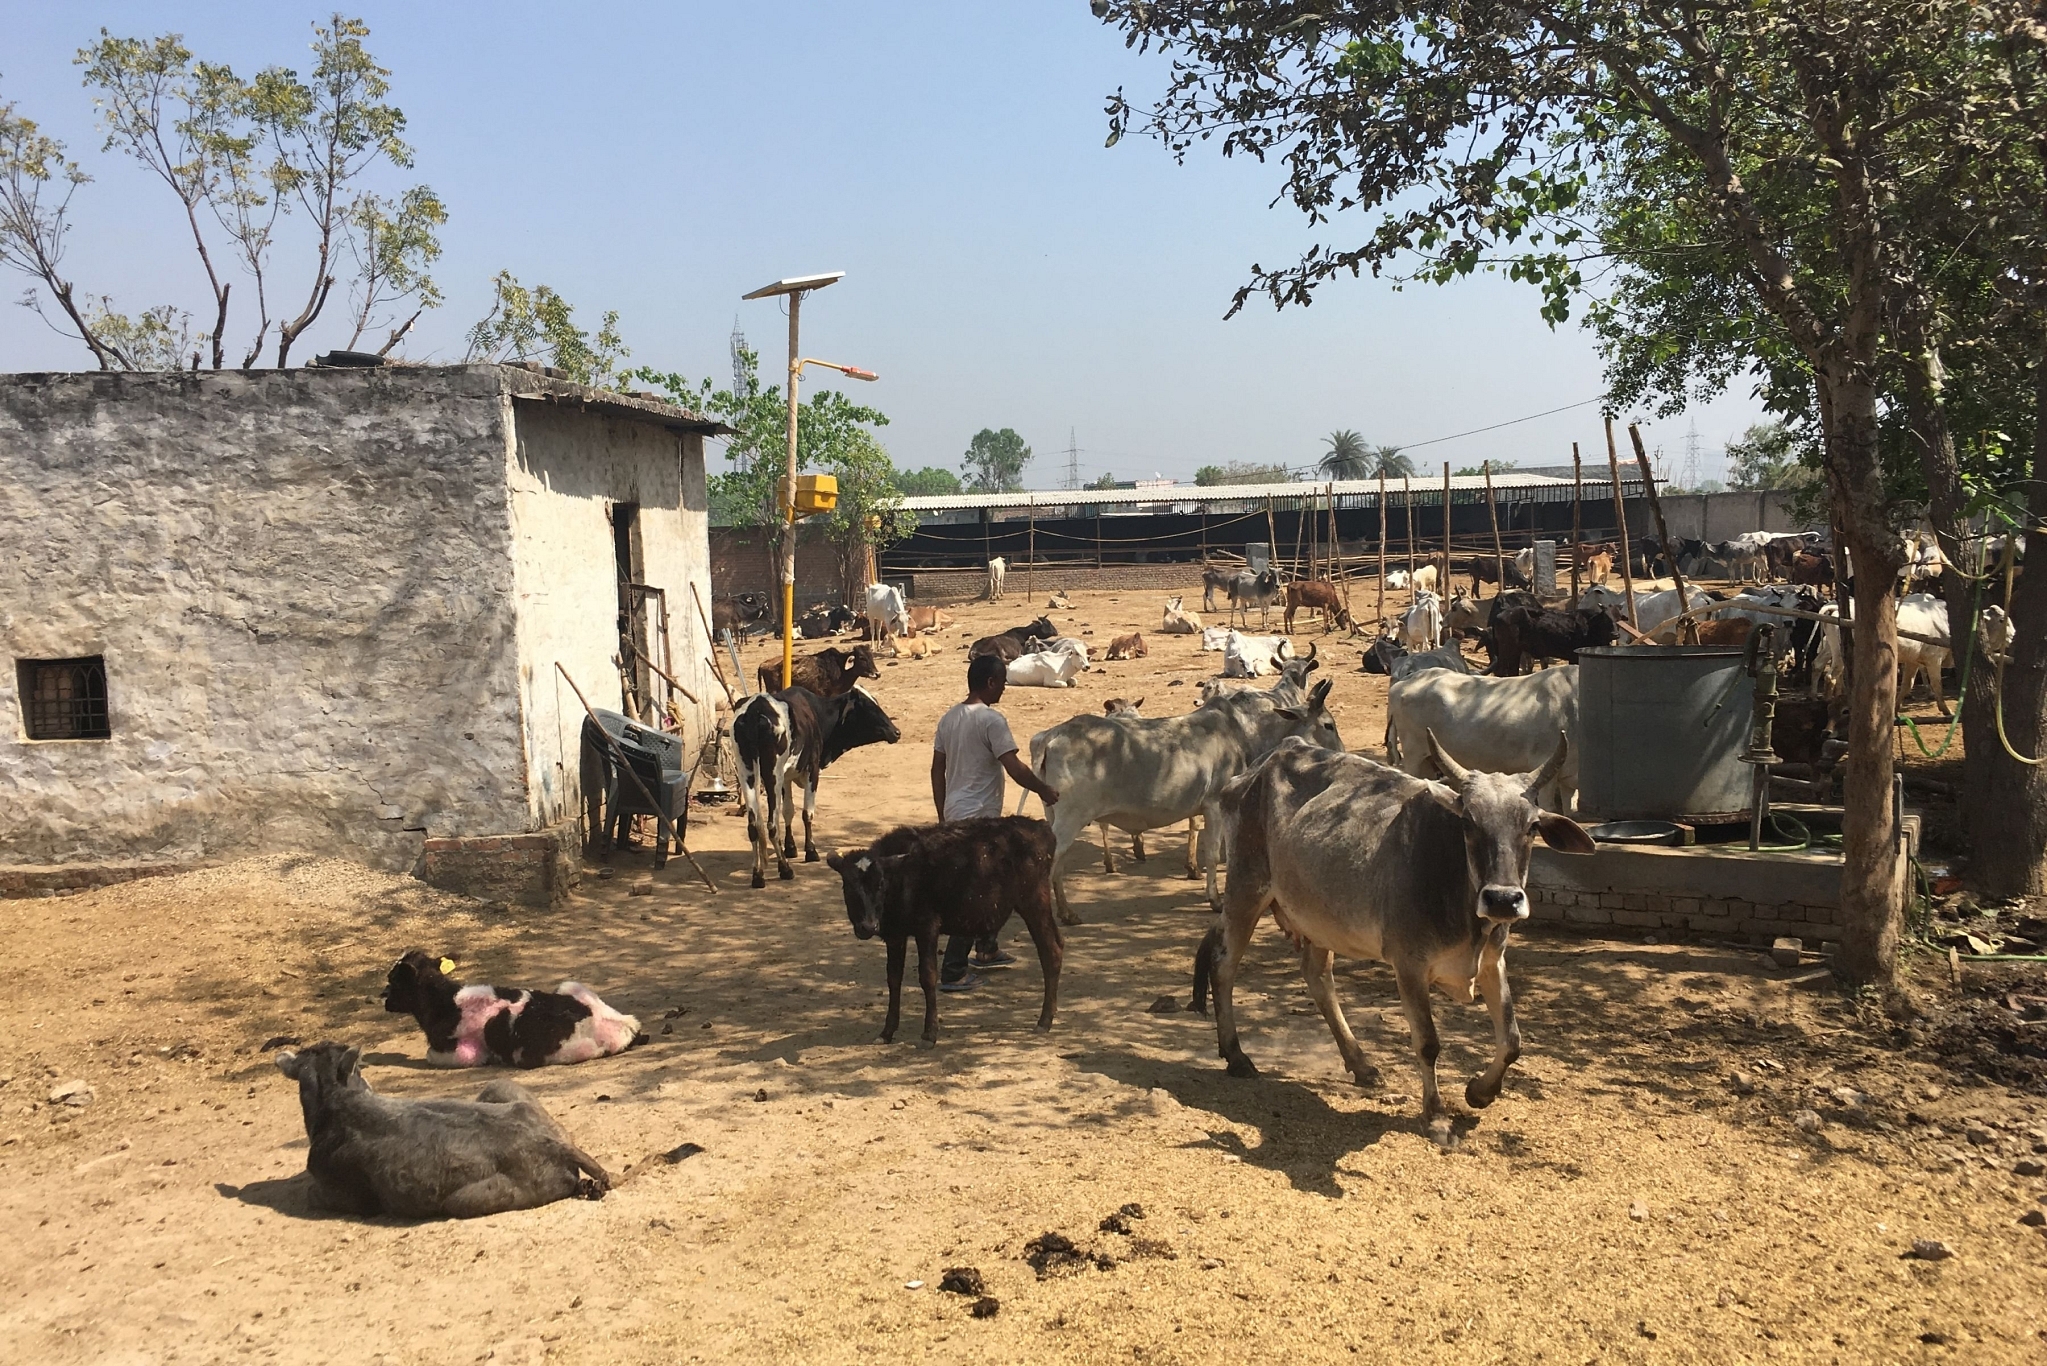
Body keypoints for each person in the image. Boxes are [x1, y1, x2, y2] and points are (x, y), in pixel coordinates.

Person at [931, 653, 1060, 991]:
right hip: (981, 820)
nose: (1004, 688)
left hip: (956, 813)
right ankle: (954, 971)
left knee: (990, 884)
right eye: (1001, 682)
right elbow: (1014, 768)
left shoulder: (949, 718)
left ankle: (986, 949)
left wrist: (942, 811)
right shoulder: (992, 721)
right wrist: (1044, 789)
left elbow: (937, 769)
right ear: (989, 683)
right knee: (974, 892)